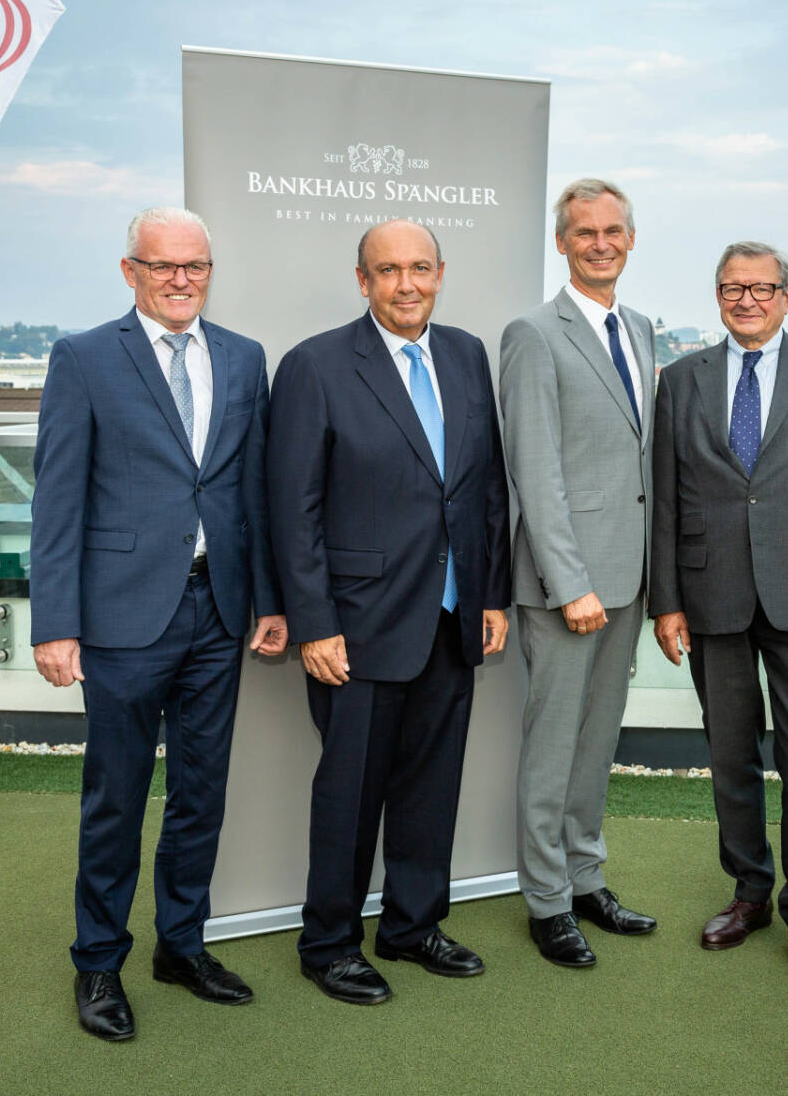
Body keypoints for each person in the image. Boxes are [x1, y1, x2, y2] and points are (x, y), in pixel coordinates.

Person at [31, 206, 286, 1042]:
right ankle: (98, 961)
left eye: (196, 266)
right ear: (130, 270)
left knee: (200, 794)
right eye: (164, 265)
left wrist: (272, 600)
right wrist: (54, 623)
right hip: (119, 617)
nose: (182, 279)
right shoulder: (84, 358)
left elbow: (257, 493)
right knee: (116, 798)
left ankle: (182, 945)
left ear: (210, 271)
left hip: (219, 609)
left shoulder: (245, 359)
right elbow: (58, 499)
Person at [268, 220, 511, 1006]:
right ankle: (329, 942)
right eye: (388, 270)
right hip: (358, 624)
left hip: (452, 614)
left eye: (419, 268)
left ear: (441, 272)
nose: (407, 284)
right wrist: (313, 621)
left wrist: (493, 593)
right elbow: (292, 507)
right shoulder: (315, 365)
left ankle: (411, 925)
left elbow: (485, 488)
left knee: (432, 784)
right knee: (350, 792)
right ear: (362, 279)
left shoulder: (468, 354)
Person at [649, 241, 788, 990]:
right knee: (730, 753)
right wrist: (667, 600)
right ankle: (749, 891)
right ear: (717, 296)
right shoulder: (681, 379)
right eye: (731, 287)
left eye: (761, 287)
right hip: (712, 594)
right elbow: (667, 496)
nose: (746, 299)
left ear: (787, 296)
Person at [499, 178, 656, 968]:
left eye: (614, 230)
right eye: (584, 231)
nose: (601, 242)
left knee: (597, 744)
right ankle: (546, 899)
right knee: (553, 744)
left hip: (627, 579)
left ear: (632, 238)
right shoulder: (533, 333)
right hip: (570, 587)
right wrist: (571, 583)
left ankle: (586, 876)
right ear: (561, 242)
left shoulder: (641, 326)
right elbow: (534, 469)